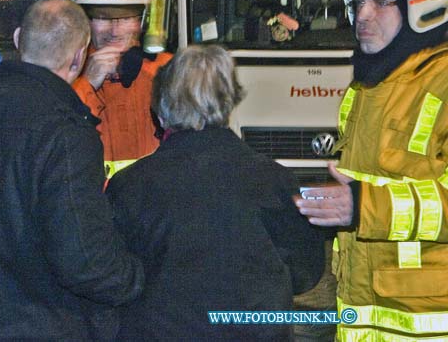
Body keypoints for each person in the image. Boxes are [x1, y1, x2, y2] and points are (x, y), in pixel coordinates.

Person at [0, 0, 144, 340]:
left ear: (18, 40)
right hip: (41, 327)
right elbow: (85, 261)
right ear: (80, 56)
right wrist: (136, 277)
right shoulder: (67, 135)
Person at [296, 0, 448, 340]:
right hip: (366, 313)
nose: (362, 16)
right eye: (358, 2)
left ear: (424, 4)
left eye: (380, 2)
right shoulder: (369, 84)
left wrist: (362, 206)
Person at [107, 44, 324, 339]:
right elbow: (305, 274)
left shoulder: (130, 185)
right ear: (229, 103)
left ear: (161, 111)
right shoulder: (276, 181)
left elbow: (113, 278)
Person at [68, 0, 172, 182]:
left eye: (126, 18)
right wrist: (88, 84)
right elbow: (57, 137)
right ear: (84, 20)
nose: (114, 31)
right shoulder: (66, 72)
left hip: (150, 208)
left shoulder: (167, 73)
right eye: (102, 18)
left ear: (143, 20)